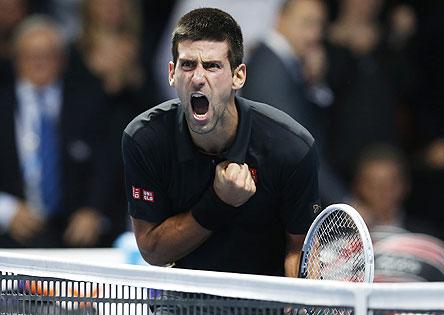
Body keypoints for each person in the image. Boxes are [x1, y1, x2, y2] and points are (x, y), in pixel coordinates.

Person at [122, 8, 320, 277]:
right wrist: (219, 202)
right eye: (188, 65)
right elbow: (153, 250)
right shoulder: (143, 139)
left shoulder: (292, 148)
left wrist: (295, 304)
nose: (198, 78)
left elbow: (299, 250)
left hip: (264, 304)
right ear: (172, 73)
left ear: (238, 76)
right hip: (183, 305)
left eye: (213, 66)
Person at [0, 15, 119, 248]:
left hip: (75, 236)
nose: (39, 63)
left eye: (47, 56)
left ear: (62, 60)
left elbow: (107, 163)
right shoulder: (2, 106)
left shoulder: (89, 103)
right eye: (30, 56)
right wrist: (5, 209)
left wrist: (93, 210)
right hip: (11, 235)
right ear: (16, 60)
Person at [240, 0, 350, 205]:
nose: (314, 34)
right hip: (273, 203)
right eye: (307, 23)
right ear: (279, 19)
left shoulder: (286, 64)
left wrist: (315, 84)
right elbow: (297, 149)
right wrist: (342, 200)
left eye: (320, 25)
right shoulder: (269, 68)